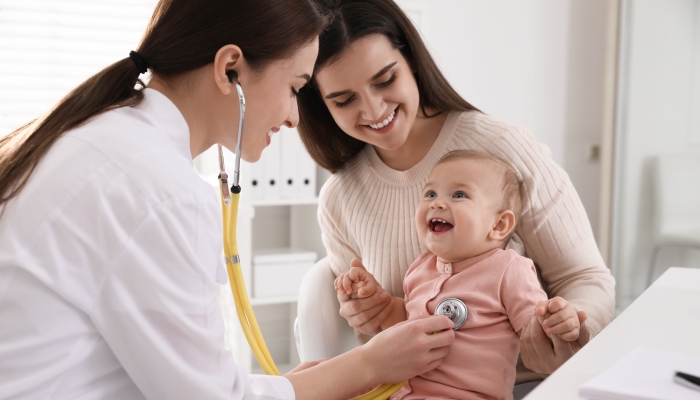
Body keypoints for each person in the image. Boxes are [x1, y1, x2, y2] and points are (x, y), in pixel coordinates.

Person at [0, 1, 457, 399]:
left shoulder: (105, 137)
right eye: (295, 87)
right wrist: (370, 364)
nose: (295, 117)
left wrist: (292, 386)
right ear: (229, 69)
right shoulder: (160, 190)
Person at [297, 0, 616, 383]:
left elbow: (585, 278)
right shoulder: (340, 198)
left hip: (525, 385)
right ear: (320, 104)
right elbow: (378, 341)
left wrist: (570, 330)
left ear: (411, 60)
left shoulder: (501, 148)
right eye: (344, 100)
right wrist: (366, 312)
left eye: (385, 80)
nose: (373, 109)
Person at [335, 150, 584, 399]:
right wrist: (380, 303)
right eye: (430, 193)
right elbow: (407, 327)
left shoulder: (508, 270)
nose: (437, 203)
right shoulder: (420, 268)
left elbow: (535, 334)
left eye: (459, 195)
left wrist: (557, 322)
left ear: (498, 225)